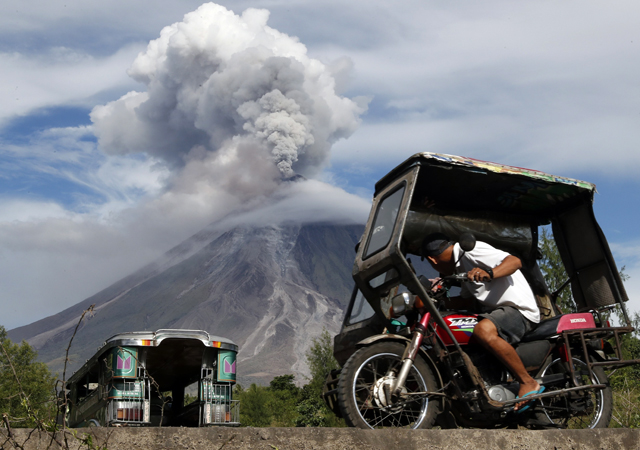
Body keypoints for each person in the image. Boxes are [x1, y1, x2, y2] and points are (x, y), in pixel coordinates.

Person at [422, 233, 542, 411]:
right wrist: (433, 301)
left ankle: (527, 382)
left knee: (482, 330)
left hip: (519, 310)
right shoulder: (460, 265)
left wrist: (489, 273)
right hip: (499, 313)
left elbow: (515, 262)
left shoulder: (470, 251)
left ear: (432, 260)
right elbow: (468, 301)